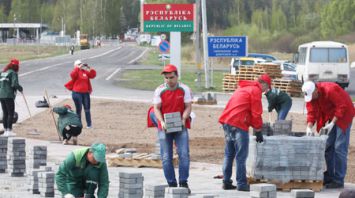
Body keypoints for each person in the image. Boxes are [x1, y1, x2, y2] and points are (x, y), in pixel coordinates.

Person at [302, 81, 355, 189]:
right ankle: (330, 175)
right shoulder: (310, 95)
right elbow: (312, 111)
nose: (311, 99)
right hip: (332, 114)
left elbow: (342, 106)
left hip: (345, 114)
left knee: (339, 147)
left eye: (313, 96)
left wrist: (332, 123)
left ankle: (338, 179)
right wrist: (309, 126)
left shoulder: (330, 89)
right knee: (328, 146)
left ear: (316, 90)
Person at [153, 64, 192, 193]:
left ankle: (183, 182)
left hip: (180, 124)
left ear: (177, 76)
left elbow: (188, 106)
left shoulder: (184, 89)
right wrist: (162, 122)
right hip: (165, 126)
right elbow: (156, 108)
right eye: (166, 78)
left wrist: (183, 119)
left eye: (171, 77)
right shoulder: (159, 90)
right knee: (166, 156)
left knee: (184, 154)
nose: (169, 80)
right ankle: (171, 183)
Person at [219, 79, 264, 192]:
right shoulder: (255, 90)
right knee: (241, 156)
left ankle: (226, 182)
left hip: (227, 122)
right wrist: (258, 130)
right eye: (266, 88)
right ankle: (241, 183)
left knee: (229, 154)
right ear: (264, 84)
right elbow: (256, 113)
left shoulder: (242, 88)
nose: (265, 91)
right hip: (239, 123)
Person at [66, 60, 96, 129]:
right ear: (76, 65)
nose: (81, 65)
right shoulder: (75, 71)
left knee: (87, 109)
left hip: (85, 93)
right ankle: (79, 124)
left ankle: (89, 124)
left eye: (81, 63)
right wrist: (77, 68)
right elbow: (72, 75)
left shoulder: (84, 72)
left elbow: (92, 75)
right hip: (77, 93)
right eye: (79, 64)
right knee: (79, 109)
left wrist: (89, 68)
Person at [0, 58, 23, 136]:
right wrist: (20, 89)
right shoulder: (13, 73)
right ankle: (9, 131)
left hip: (1, 95)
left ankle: (6, 130)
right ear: (16, 66)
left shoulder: (3, 73)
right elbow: (14, 84)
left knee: (5, 113)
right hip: (8, 95)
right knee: (10, 113)